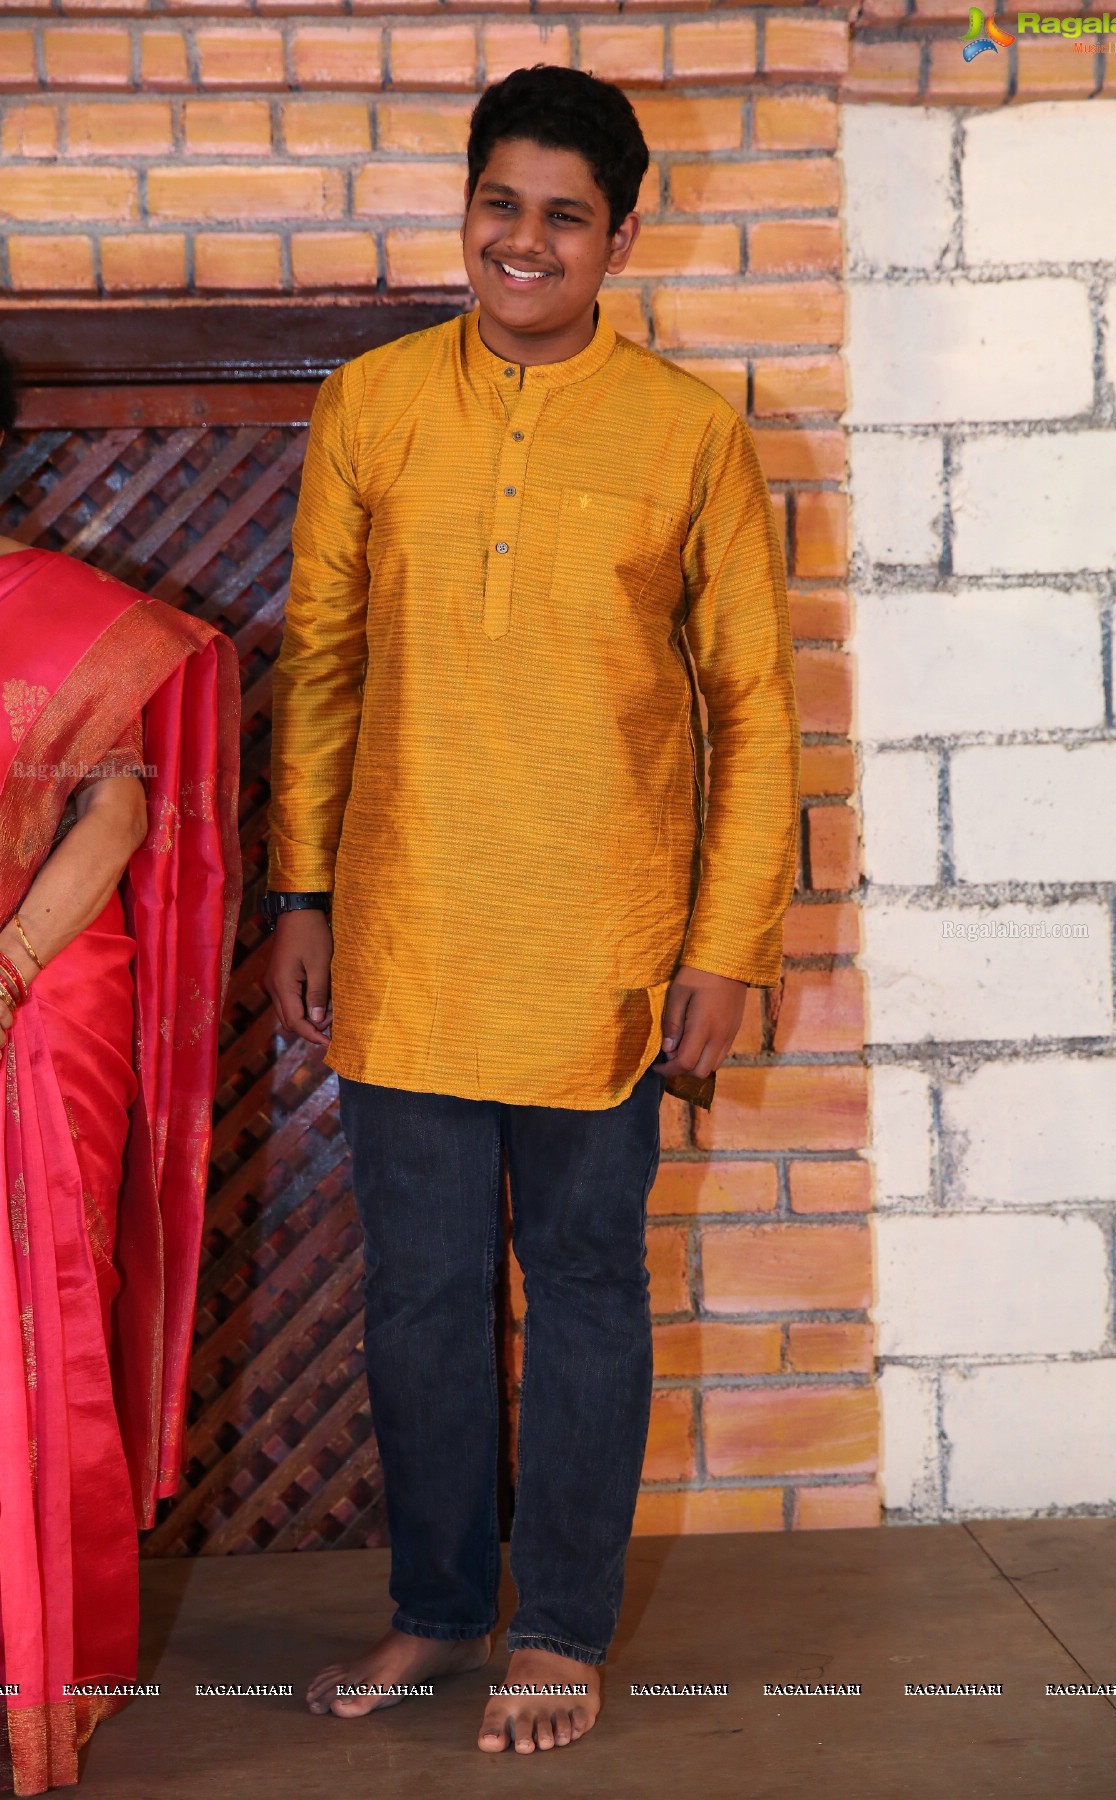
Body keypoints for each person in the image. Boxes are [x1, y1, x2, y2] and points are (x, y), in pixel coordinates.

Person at [264, 64, 801, 1756]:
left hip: (607, 947)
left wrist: (725, 948)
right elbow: (327, 667)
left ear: (622, 235)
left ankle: (557, 1628)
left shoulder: (691, 433)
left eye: (565, 215)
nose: (524, 240)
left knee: (580, 1283)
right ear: (470, 205)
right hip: (411, 925)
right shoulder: (372, 406)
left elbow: (754, 709)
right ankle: (438, 1606)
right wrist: (305, 891)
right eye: (502, 202)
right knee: (417, 1294)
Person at [0, 344, 242, 1795]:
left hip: (37, 997)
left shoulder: (59, 620)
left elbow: (119, 803)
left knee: (33, 1340)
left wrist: (13, 962)